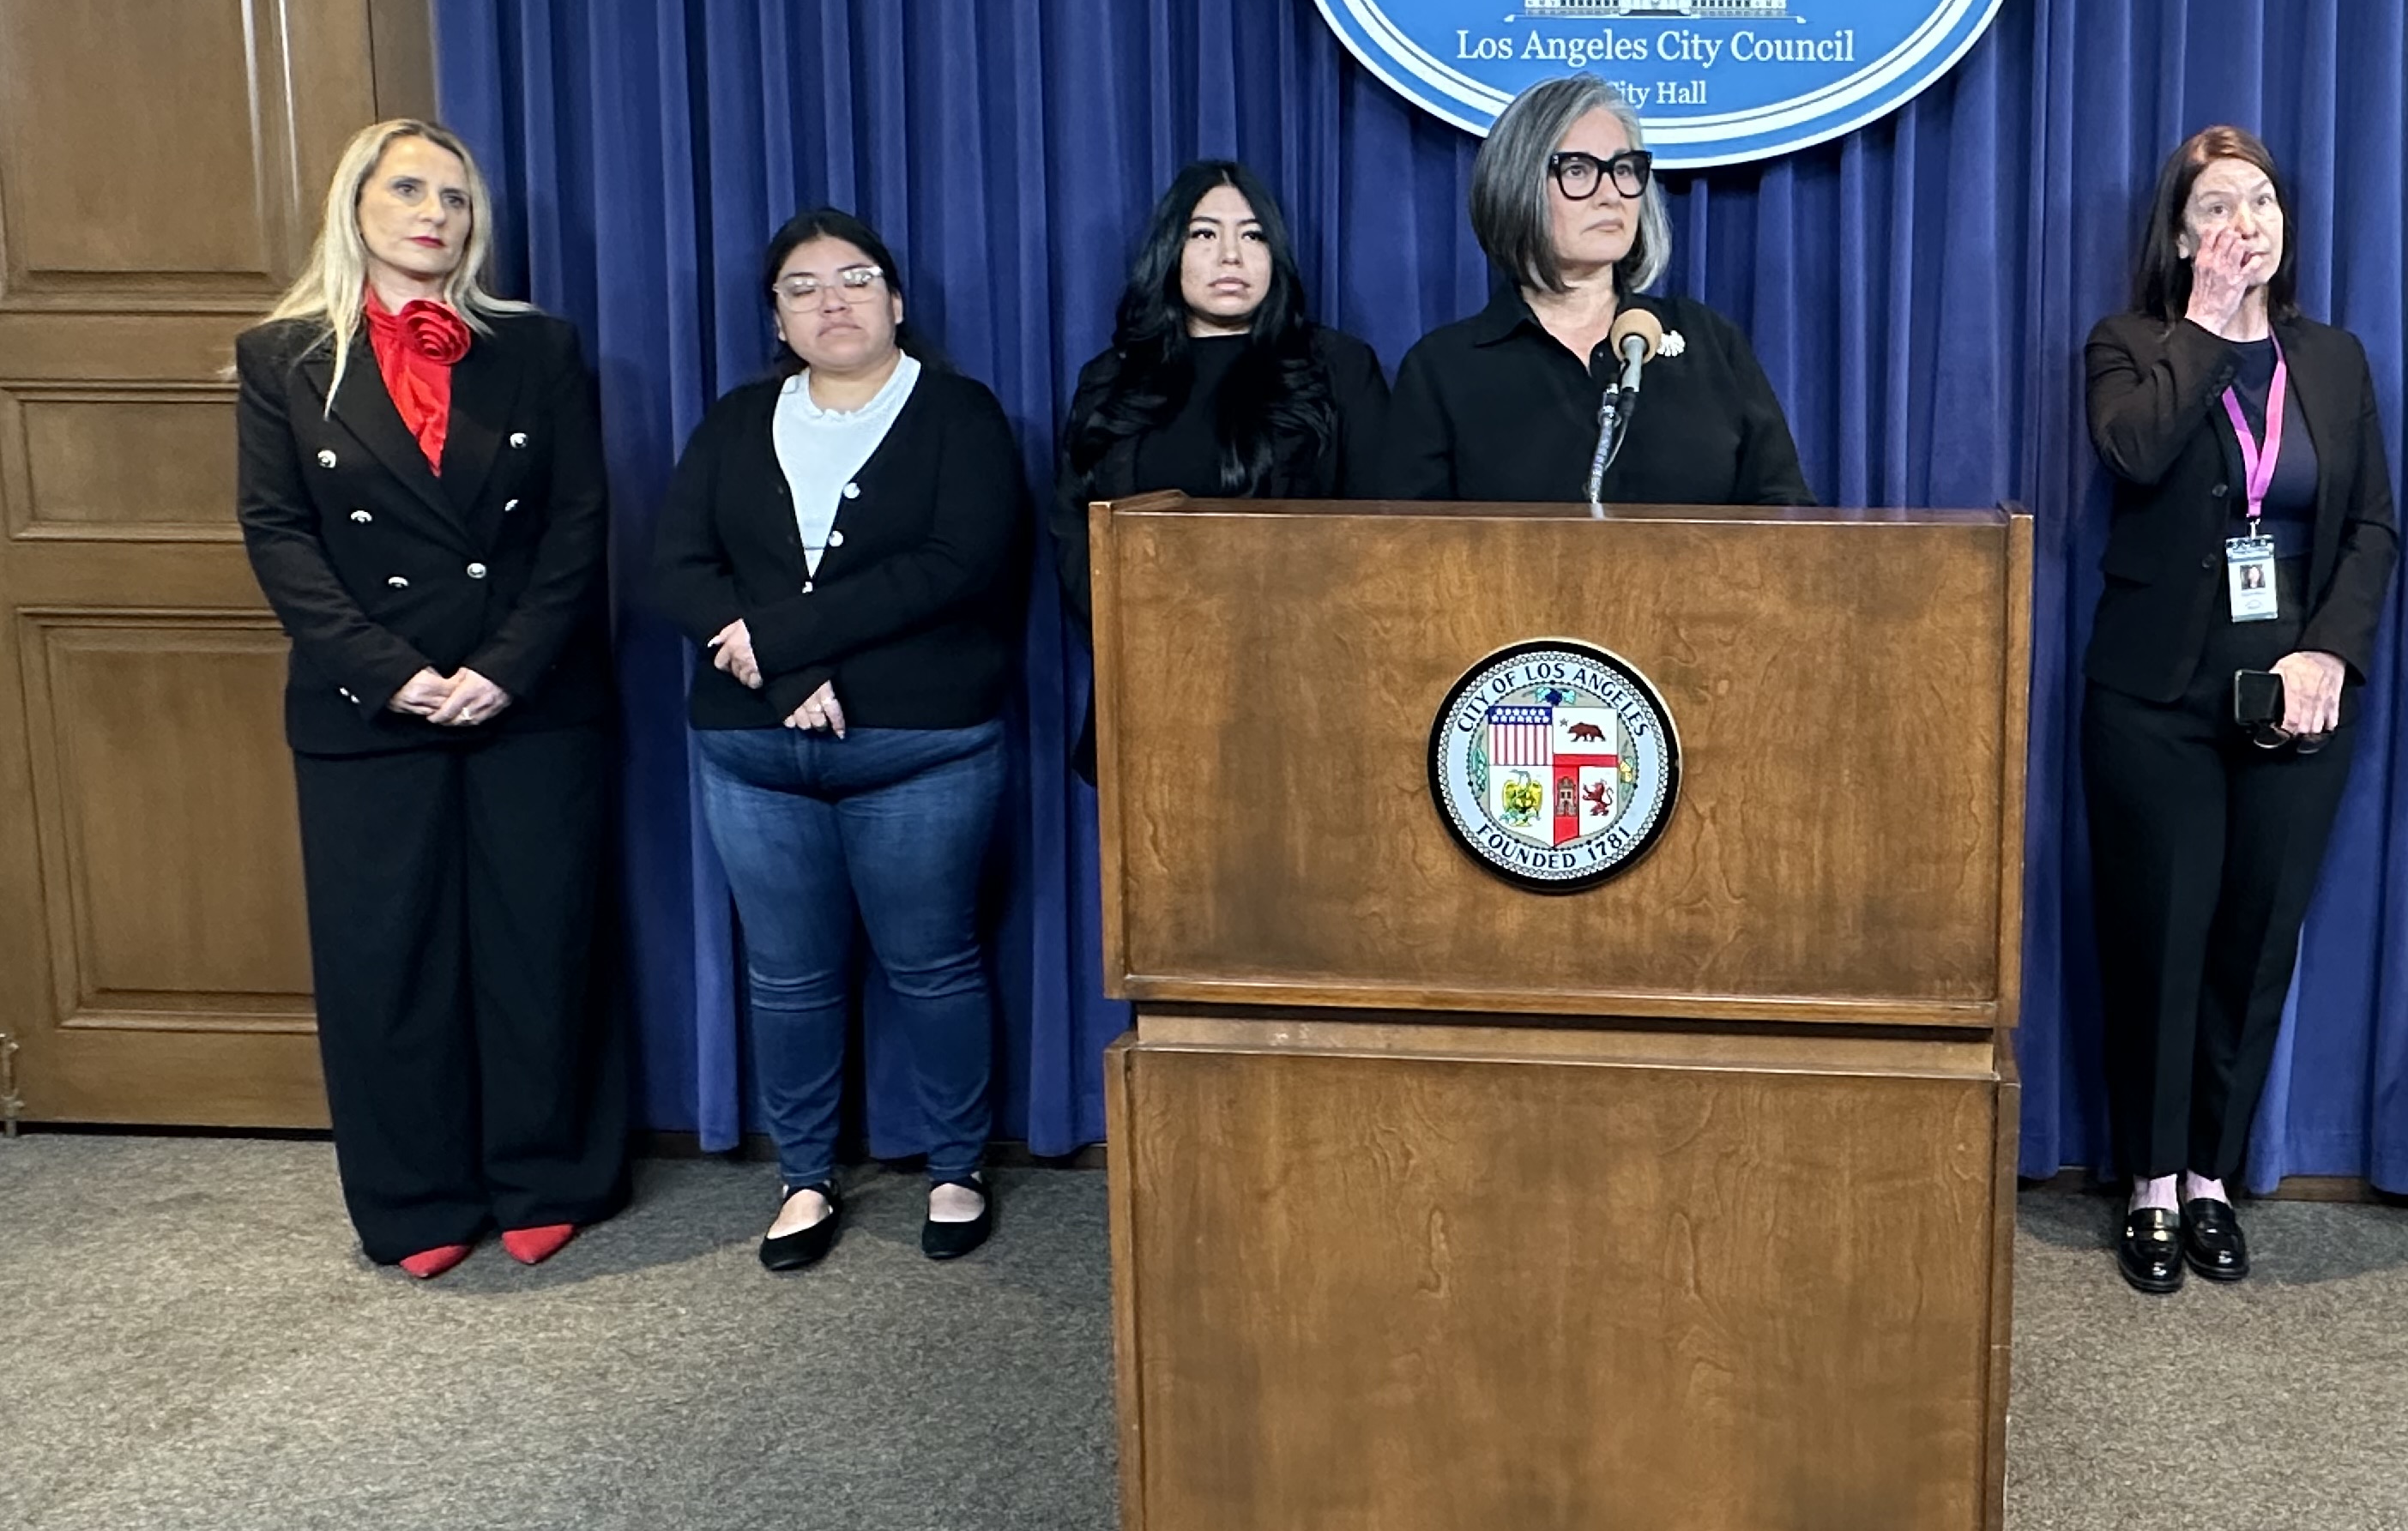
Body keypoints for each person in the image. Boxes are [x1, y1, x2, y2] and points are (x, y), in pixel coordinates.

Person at [234, 118, 629, 1279]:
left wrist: (502, 666)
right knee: (386, 956)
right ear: (355, 204)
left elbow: (577, 523)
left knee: (536, 939)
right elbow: (278, 532)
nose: (435, 213)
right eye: (409, 189)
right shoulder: (283, 356)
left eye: (455, 198)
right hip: (368, 703)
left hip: (532, 693)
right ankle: (416, 1199)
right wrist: (391, 670)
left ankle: (547, 1173)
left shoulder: (537, 347)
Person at [649, 209, 1032, 1274]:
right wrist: (784, 677)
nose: (833, 299)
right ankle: (804, 1177)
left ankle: (956, 1165)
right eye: (803, 286)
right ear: (777, 314)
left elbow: (959, 567)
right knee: (788, 980)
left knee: (933, 964)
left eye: (856, 278)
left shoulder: (960, 413)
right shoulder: (734, 423)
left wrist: (781, 639)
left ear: (898, 300)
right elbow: (678, 569)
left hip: (921, 751)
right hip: (753, 756)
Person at [2081, 125, 2399, 1296]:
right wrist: (2209, 326)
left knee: (2254, 943)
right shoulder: (2129, 348)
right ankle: (2151, 1182)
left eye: (2260, 203)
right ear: (2179, 235)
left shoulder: (2337, 360)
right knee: (2161, 941)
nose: (2245, 225)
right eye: (2217, 206)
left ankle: (2213, 1174)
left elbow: (2371, 525)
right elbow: (2136, 455)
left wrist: (2332, 657)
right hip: (2154, 697)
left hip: (2296, 697)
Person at [1054, 160, 1388, 778]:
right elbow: (1076, 531)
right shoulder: (1111, 380)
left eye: (1253, 235)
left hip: (1302, 696)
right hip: (1150, 686)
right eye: (1204, 235)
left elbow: (1374, 532)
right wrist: (1151, 634)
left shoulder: (1337, 368)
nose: (1230, 255)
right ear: (1170, 253)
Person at [1381, 76, 1814, 507]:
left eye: (1624, 170)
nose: (1611, 195)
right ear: (1517, 185)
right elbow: (1405, 549)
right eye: (1578, 170)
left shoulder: (1708, 343)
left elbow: (1787, 518)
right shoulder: (1445, 368)